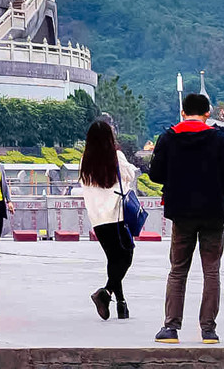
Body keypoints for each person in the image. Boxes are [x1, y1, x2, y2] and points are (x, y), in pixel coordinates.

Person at [148, 92, 224, 345]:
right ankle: (208, 330)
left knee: (178, 270)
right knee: (211, 271)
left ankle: (171, 328)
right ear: (208, 113)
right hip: (213, 212)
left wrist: (177, 178)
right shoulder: (218, 138)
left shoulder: (168, 137)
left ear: (183, 112)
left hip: (181, 212)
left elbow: (155, 174)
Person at [78, 118, 138, 321]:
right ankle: (105, 292)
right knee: (126, 256)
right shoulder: (116, 156)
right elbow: (130, 175)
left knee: (113, 259)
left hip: (98, 220)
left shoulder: (84, 161)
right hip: (117, 216)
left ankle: (121, 304)